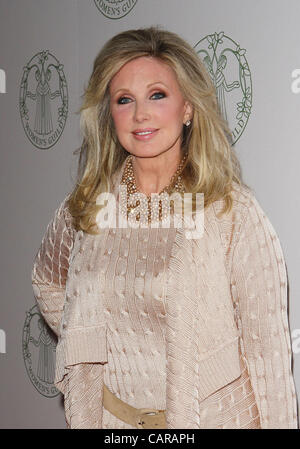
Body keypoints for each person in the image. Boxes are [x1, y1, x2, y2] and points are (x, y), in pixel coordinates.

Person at [31, 26, 298, 429]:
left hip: (211, 419)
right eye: (125, 100)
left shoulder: (231, 212)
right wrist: (85, 347)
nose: (140, 114)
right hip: (110, 422)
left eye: (157, 95)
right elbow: (47, 279)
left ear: (187, 107)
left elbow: (269, 356)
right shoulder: (87, 208)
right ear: (110, 113)